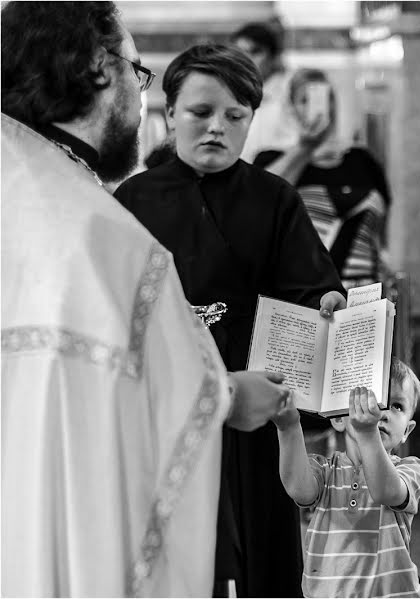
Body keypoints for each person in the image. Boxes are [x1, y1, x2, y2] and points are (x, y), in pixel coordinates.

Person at [0, 2, 295, 596]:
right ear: (96, 67)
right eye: (139, 73)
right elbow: (146, 400)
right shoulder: (98, 234)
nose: (142, 102)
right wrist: (231, 393)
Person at [113, 44, 346, 597]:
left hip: (258, 403)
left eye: (234, 116)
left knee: (262, 547)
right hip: (167, 405)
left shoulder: (274, 198)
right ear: (168, 114)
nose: (217, 127)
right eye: (200, 113)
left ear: (251, 122)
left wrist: (330, 306)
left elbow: (313, 289)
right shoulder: (133, 200)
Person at [273, 360, 420, 598]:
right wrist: (289, 427)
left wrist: (367, 433)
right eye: (367, 399)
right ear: (338, 418)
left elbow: (386, 491)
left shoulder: (411, 469)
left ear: (407, 430)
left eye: (396, 406)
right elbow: (299, 490)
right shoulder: (324, 469)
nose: (382, 412)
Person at [255, 69, 392, 291]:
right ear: (290, 108)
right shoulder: (270, 159)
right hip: (299, 293)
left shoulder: (362, 160)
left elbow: (381, 228)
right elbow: (260, 203)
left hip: (365, 291)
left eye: (326, 97)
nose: (319, 107)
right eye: (304, 100)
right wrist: (304, 148)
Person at [232, 21, 299, 165]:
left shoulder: (292, 88)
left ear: (273, 57)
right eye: (239, 53)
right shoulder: (230, 95)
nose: (245, 59)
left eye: (255, 51)